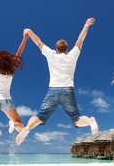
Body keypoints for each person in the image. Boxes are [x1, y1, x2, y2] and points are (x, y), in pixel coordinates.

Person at [16, 17, 99, 145]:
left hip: (53, 91)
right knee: (76, 119)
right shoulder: (72, 56)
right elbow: (80, 40)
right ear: (66, 49)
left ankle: (27, 128)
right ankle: (90, 121)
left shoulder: (51, 55)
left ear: (57, 49)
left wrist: (29, 31)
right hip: (68, 91)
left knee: (39, 116)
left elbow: (38, 42)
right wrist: (86, 25)